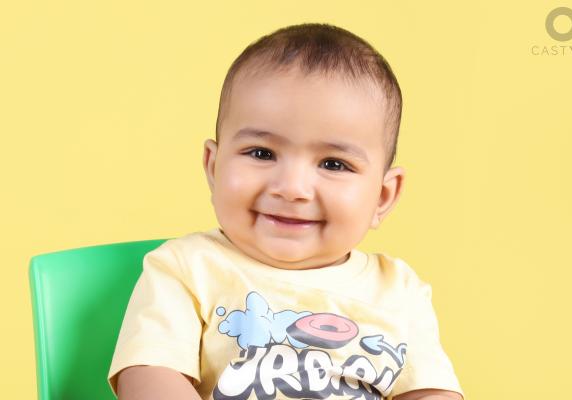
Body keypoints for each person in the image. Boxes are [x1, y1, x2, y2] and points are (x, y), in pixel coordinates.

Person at [107, 23, 464, 400]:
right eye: (262, 153)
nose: (292, 188)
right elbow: (148, 374)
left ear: (382, 196)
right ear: (214, 167)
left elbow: (431, 392)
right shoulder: (187, 269)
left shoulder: (399, 291)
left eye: (333, 164)